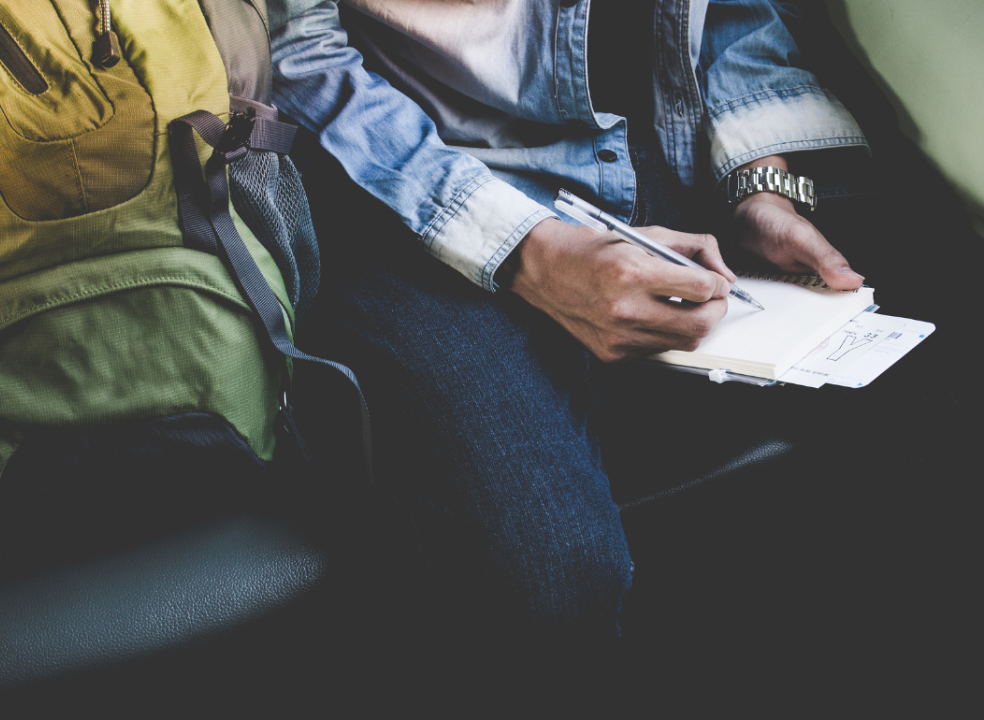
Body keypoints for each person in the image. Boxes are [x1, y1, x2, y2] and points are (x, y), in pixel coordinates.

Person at [264, 0, 968, 663]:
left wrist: (762, 182)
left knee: (952, 377)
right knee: (550, 579)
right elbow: (295, 60)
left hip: (670, 127)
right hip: (411, 187)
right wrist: (525, 250)